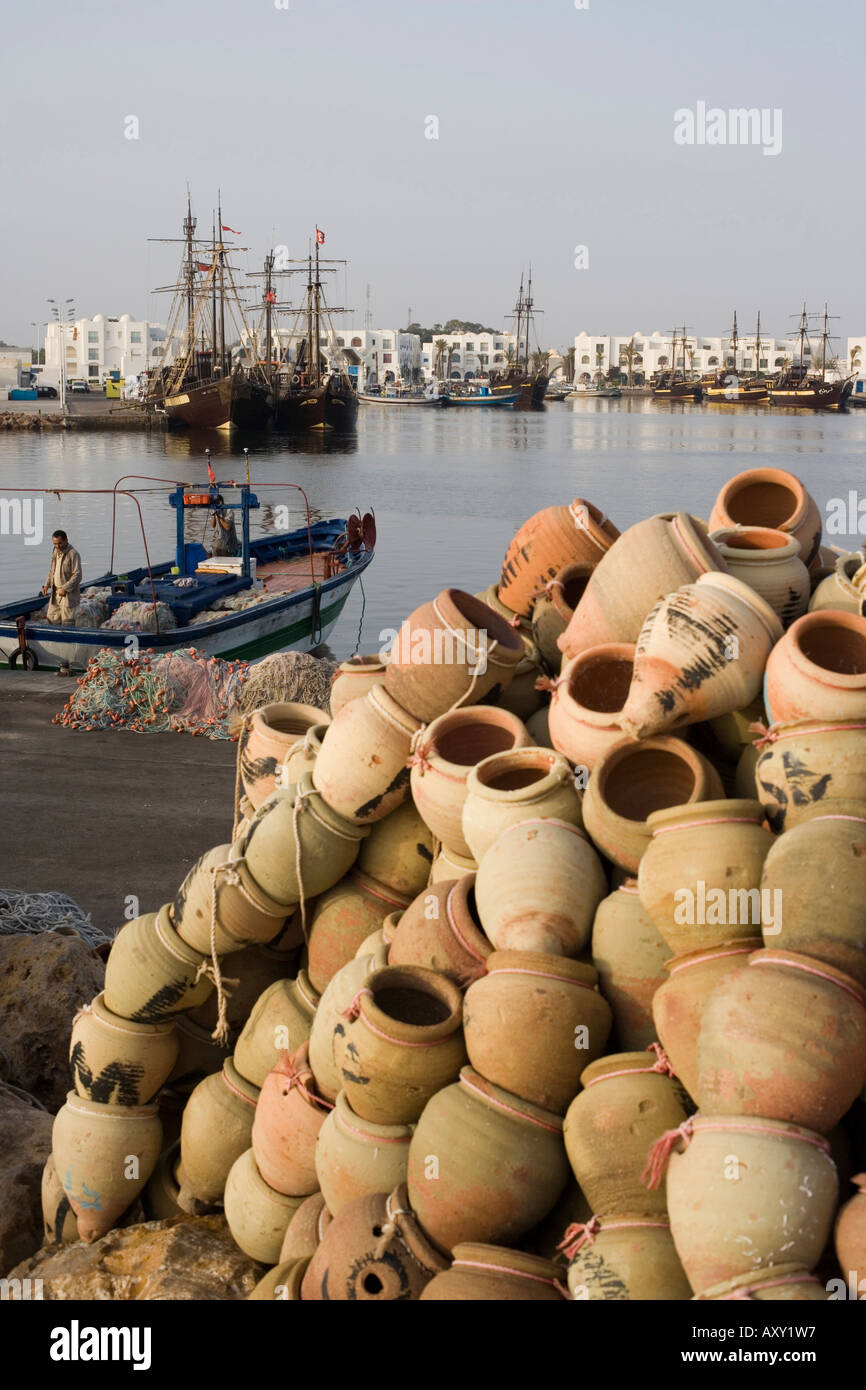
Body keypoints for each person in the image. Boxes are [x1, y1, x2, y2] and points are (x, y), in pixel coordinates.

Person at [42, 530, 82, 624]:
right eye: (55, 544)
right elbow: (52, 571)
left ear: (66, 540)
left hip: (68, 595)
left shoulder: (73, 554)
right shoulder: (55, 552)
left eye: (59, 543)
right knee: (51, 619)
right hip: (55, 593)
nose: (57, 546)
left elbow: (77, 575)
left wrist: (65, 588)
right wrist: (47, 585)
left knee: (67, 622)